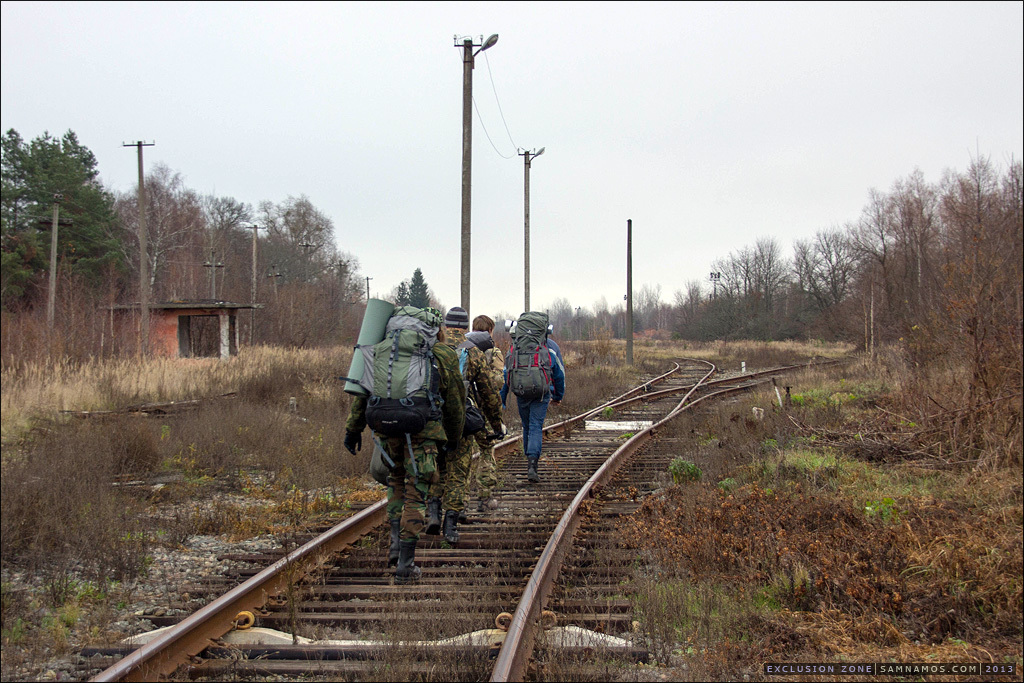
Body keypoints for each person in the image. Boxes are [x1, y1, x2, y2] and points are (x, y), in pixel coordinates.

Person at [344, 306, 465, 583]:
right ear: (435, 329)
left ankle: (396, 548)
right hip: (423, 433)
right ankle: (406, 566)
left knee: (395, 485)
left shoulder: (382, 348)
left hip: (387, 431)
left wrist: (353, 430)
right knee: (416, 493)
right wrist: (454, 439)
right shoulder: (442, 353)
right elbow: (455, 402)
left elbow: (363, 393)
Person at [427, 306, 504, 543]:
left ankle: (432, 512)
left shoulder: (431, 347)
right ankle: (450, 526)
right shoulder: (473, 351)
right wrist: (495, 424)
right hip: (460, 418)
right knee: (459, 471)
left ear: (446, 324)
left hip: (431, 417)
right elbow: (488, 393)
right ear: (465, 326)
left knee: (437, 466)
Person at [500, 312, 566, 483]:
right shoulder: (550, 347)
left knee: (526, 426)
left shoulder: (515, 347)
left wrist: (503, 397)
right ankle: (532, 465)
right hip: (542, 393)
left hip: (521, 392)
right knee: (536, 426)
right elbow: (559, 375)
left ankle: (528, 462)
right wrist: (558, 395)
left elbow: (507, 373)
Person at [466, 314, 507, 511]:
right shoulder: (494, 352)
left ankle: (459, 500)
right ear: (490, 331)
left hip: (463, 409)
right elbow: (497, 383)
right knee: (486, 451)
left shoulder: (462, 350)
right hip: (483, 411)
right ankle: (484, 497)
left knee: (461, 454)